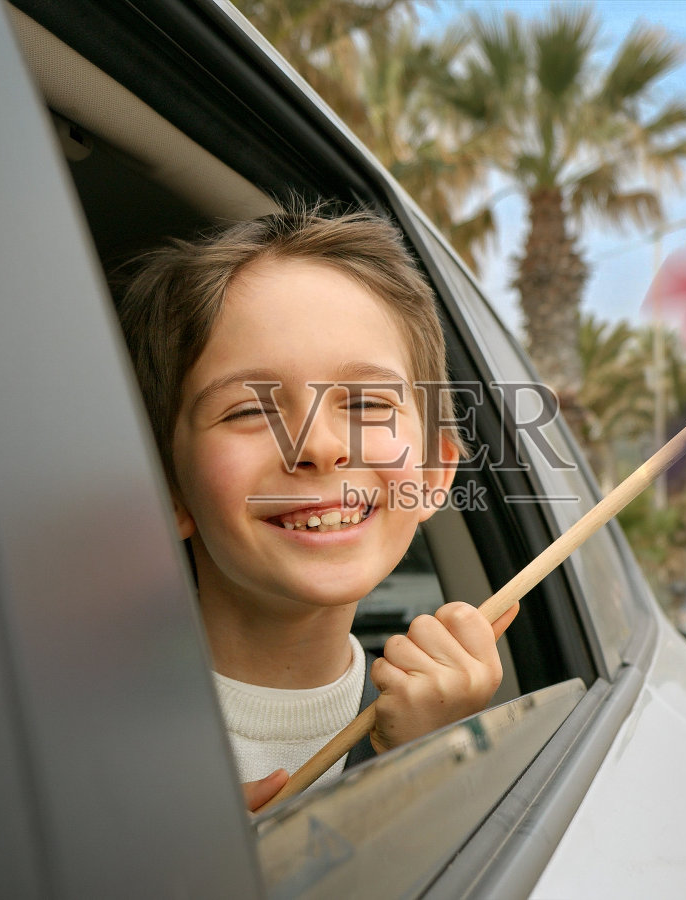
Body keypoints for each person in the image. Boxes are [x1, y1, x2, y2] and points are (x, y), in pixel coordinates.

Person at [116, 208, 518, 812]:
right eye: (249, 410)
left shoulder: (439, 724)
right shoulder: (74, 752)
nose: (321, 446)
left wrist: (429, 761)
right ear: (166, 489)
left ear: (434, 474)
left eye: (365, 403)